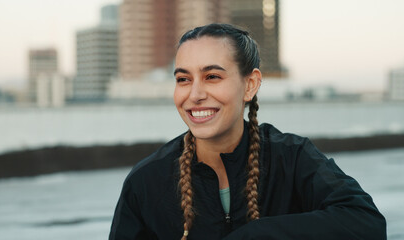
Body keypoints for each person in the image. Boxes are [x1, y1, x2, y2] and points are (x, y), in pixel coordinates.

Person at [109, 23, 386, 240]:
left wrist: (258, 234)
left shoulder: (291, 158)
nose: (194, 94)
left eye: (212, 76)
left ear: (251, 84)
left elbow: (366, 223)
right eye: (183, 79)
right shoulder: (145, 182)